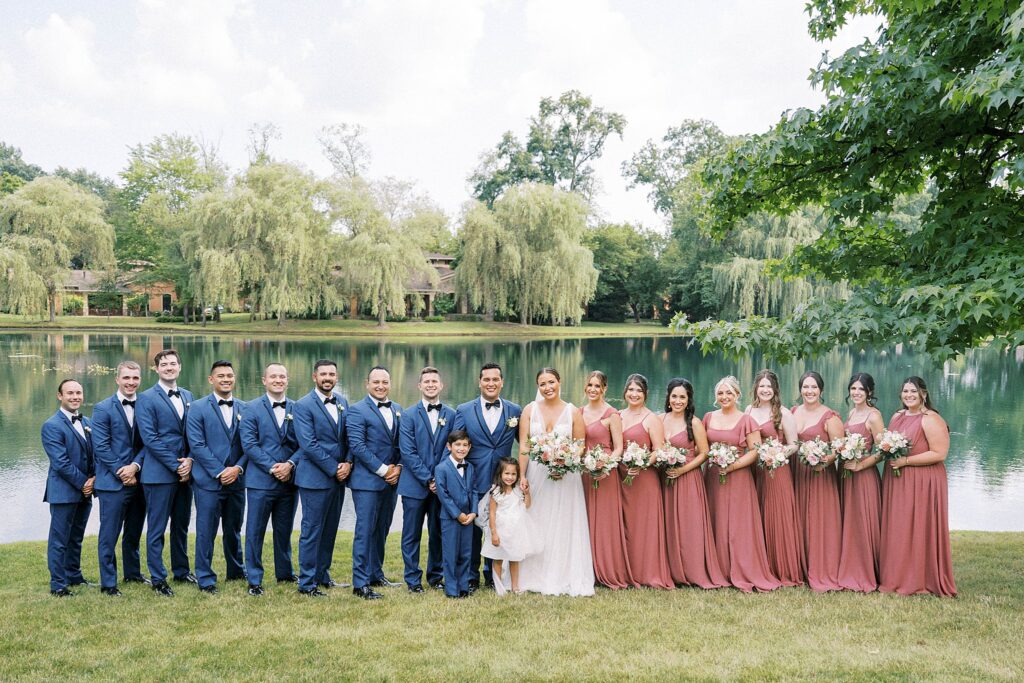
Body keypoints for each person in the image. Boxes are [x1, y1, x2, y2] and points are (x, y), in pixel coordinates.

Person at [517, 367, 595, 596]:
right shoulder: (529, 410)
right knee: (536, 521)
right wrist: (522, 476)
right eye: (542, 384)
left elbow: (580, 445)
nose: (547, 387)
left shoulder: (573, 412)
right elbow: (524, 446)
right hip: (537, 473)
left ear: (559, 382)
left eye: (551, 382)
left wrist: (564, 462)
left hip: (566, 477)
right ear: (537, 387)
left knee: (563, 523)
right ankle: (533, 574)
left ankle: (562, 574)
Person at [878, 377, 957, 596]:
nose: (909, 395)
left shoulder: (931, 419)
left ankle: (922, 579)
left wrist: (906, 461)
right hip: (898, 480)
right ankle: (896, 576)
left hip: (923, 481)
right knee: (900, 527)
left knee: (919, 526)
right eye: (905, 391)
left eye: (913, 391)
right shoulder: (897, 416)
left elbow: (940, 453)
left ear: (924, 393)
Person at [703, 376, 780, 592]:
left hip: (738, 477)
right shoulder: (708, 417)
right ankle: (717, 568)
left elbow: (756, 451)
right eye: (720, 393)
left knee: (738, 524)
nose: (724, 397)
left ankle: (742, 568)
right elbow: (701, 446)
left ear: (737, 395)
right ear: (715, 396)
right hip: (713, 476)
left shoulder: (747, 420)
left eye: (729, 393)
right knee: (715, 518)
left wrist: (734, 466)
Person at [451, 362, 522, 590]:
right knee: (472, 533)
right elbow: (455, 444)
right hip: (472, 480)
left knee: (498, 528)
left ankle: (493, 576)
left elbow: (525, 446)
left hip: (502, 482)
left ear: (502, 382)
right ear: (479, 382)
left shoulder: (514, 410)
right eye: (486, 380)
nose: (491, 383)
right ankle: (471, 578)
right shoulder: (464, 409)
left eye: (495, 379)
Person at [239, 362, 301, 596]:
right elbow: (249, 444)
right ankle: (254, 579)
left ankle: (285, 572)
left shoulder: (297, 408)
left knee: (284, 530)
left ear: (287, 380)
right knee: (255, 531)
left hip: (289, 480)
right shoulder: (251, 408)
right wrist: (273, 467)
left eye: (282, 376)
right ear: (264, 380)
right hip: (260, 481)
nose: (278, 380)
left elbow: (303, 443)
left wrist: (290, 465)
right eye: (273, 376)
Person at [137, 349, 195, 596]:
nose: (169, 367)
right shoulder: (146, 398)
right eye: (164, 364)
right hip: (159, 473)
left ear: (180, 367)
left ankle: (181, 571)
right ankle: (158, 578)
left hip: (186, 473)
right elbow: (149, 438)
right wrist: (176, 465)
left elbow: (193, 433)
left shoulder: (189, 395)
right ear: (157, 369)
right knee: (157, 528)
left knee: (181, 525)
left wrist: (190, 460)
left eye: (173, 363)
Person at [186, 360, 248, 594]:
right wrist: (220, 471)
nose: (226, 379)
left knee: (233, 528)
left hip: (237, 480)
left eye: (229, 375)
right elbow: (197, 445)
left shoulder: (245, 408)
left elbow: (249, 445)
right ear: (211, 379)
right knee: (206, 530)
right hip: (208, 481)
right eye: (220, 376)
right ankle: (205, 577)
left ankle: (236, 570)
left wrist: (238, 469)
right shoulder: (198, 407)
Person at [661, 378, 728, 589]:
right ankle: (672, 570)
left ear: (689, 399)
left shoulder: (695, 422)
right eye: (674, 396)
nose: (678, 401)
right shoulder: (660, 419)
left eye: (682, 397)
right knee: (669, 523)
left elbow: (705, 453)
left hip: (688, 479)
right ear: (668, 397)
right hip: (665, 478)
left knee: (690, 525)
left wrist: (682, 469)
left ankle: (693, 570)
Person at [292, 359, 351, 597]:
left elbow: (347, 438)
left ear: (337, 377)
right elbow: (308, 444)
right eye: (323, 374)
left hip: (338, 478)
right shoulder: (303, 405)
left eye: (332, 374)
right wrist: (334, 467)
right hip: (314, 478)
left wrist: (348, 462)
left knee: (329, 530)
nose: (328, 378)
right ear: (314, 377)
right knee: (312, 530)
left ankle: (322, 575)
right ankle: (306, 583)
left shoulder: (343, 402)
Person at [91, 361, 148, 596]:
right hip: (112, 483)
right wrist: (121, 471)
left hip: (140, 479)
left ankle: (133, 573)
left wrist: (135, 466)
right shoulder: (103, 408)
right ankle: (108, 583)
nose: (131, 382)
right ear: (117, 379)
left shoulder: (147, 404)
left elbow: (150, 441)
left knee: (133, 531)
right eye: (126, 378)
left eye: (135, 378)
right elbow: (101, 446)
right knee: (109, 534)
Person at [347, 365, 403, 600]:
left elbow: (403, 444)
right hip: (367, 481)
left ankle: (375, 573)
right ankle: (360, 584)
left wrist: (398, 468)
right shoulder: (357, 410)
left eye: (385, 382)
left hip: (391, 481)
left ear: (390, 384)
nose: (381, 386)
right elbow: (357, 446)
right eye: (376, 382)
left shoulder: (399, 409)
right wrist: (383, 470)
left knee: (382, 528)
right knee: (364, 530)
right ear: (367, 384)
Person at [397, 366, 455, 593]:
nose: (431, 385)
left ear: (441, 385)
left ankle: (435, 576)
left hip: (441, 487)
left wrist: (438, 479)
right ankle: (412, 579)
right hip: (414, 485)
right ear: (419, 386)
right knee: (411, 534)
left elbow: (451, 448)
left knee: (438, 532)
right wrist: (428, 478)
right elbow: (407, 451)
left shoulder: (451, 414)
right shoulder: (408, 415)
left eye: (434, 381)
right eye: (426, 382)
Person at [745, 369, 805, 587]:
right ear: (756, 388)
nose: (765, 390)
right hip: (754, 470)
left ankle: (782, 568)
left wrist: (777, 455)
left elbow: (794, 445)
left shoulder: (784, 413)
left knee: (776, 516)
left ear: (775, 389)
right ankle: (758, 565)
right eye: (761, 386)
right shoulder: (748, 410)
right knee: (756, 515)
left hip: (776, 471)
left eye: (769, 386)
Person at [618, 373, 674, 590]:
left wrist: (641, 464)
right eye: (631, 390)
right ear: (624, 392)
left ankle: (647, 572)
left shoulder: (652, 419)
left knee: (644, 526)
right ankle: (625, 570)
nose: (634, 394)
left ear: (646, 394)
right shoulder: (618, 415)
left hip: (645, 479)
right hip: (621, 478)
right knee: (625, 525)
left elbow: (658, 450)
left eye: (638, 390)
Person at [579, 370, 633, 589]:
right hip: (584, 472)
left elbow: (619, 447)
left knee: (605, 521)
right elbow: (578, 444)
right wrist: (584, 463)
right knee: (585, 520)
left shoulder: (612, 414)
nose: (593, 389)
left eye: (597, 386)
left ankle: (608, 569)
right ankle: (586, 569)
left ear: (604, 389)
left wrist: (606, 466)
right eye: (590, 385)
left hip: (606, 474)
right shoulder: (578, 412)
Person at [792, 371, 844, 592]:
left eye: (813, 387)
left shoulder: (830, 417)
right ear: (800, 389)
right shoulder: (792, 412)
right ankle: (800, 567)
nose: (809, 391)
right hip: (797, 473)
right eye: (805, 387)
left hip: (820, 474)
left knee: (819, 520)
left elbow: (839, 447)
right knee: (799, 517)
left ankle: (823, 566)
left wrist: (824, 460)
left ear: (821, 390)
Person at [41, 378, 95, 596]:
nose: (75, 397)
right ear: (59, 396)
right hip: (64, 492)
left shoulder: (86, 422)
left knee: (76, 536)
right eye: (70, 393)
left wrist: (93, 479)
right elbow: (61, 462)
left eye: (78, 393)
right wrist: (84, 483)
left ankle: (74, 575)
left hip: (86, 491)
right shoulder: (51, 425)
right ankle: (58, 584)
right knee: (59, 539)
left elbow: (94, 455)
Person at [838, 372, 884, 592]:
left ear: (869, 392)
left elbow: (883, 450)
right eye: (853, 388)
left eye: (861, 389)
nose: (856, 393)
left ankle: (867, 571)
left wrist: (861, 465)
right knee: (851, 522)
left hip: (864, 476)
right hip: (848, 475)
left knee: (864, 522)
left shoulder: (873, 416)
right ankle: (850, 567)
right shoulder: (852, 412)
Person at [481, 458, 535, 595]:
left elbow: (527, 506)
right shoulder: (496, 492)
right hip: (500, 530)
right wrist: (494, 533)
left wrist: (527, 493)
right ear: (500, 474)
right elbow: (492, 514)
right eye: (507, 473)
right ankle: (498, 587)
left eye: (513, 474)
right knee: (498, 559)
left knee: (514, 559)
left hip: (515, 531)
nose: (510, 477)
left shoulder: (518, 491)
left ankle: (515, 586)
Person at [434, 430, 478, 599]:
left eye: (465, 445)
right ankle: (452, 589)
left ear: (469, 447)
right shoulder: (441, 468)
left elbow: (474, 490)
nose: (461, 448)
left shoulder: (471, 467)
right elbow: (443, 495)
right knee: (451, 553)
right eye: (457, 445)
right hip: (450, 518)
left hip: (468, 517)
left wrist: (473, 512)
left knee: (465, 553)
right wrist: (457, 514)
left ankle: (463, 586)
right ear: (449, 446)